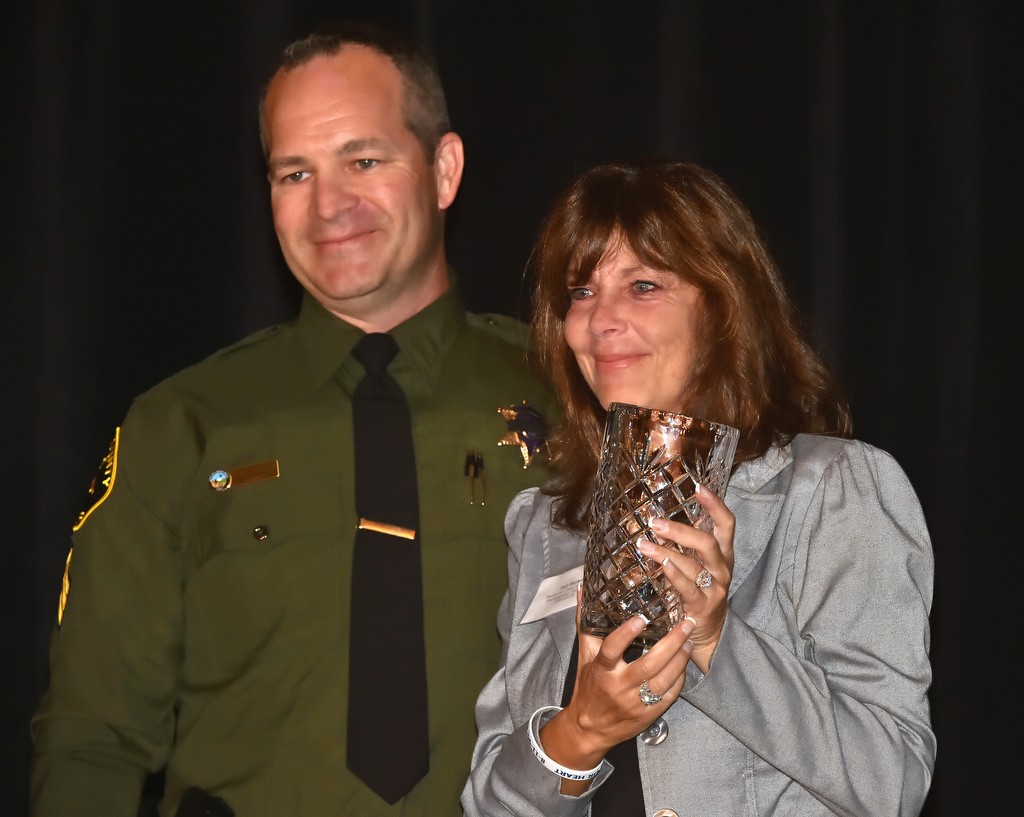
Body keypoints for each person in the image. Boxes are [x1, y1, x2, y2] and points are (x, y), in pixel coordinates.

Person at [30, 19, 557, 817]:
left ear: (443, 170)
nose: (329, 205)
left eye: (364, 160)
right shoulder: (184, 426)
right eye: (293, 173)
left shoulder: (566, 398)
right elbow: (91, 739)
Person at [462, 159, 935, 816]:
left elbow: (895, 781)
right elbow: (489, 803)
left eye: (645, 285)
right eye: (582, 291)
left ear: (722, 308)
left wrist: (715, 638)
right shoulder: (544, 523)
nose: (601, 320)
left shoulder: (833, 490)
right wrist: (580, 733)